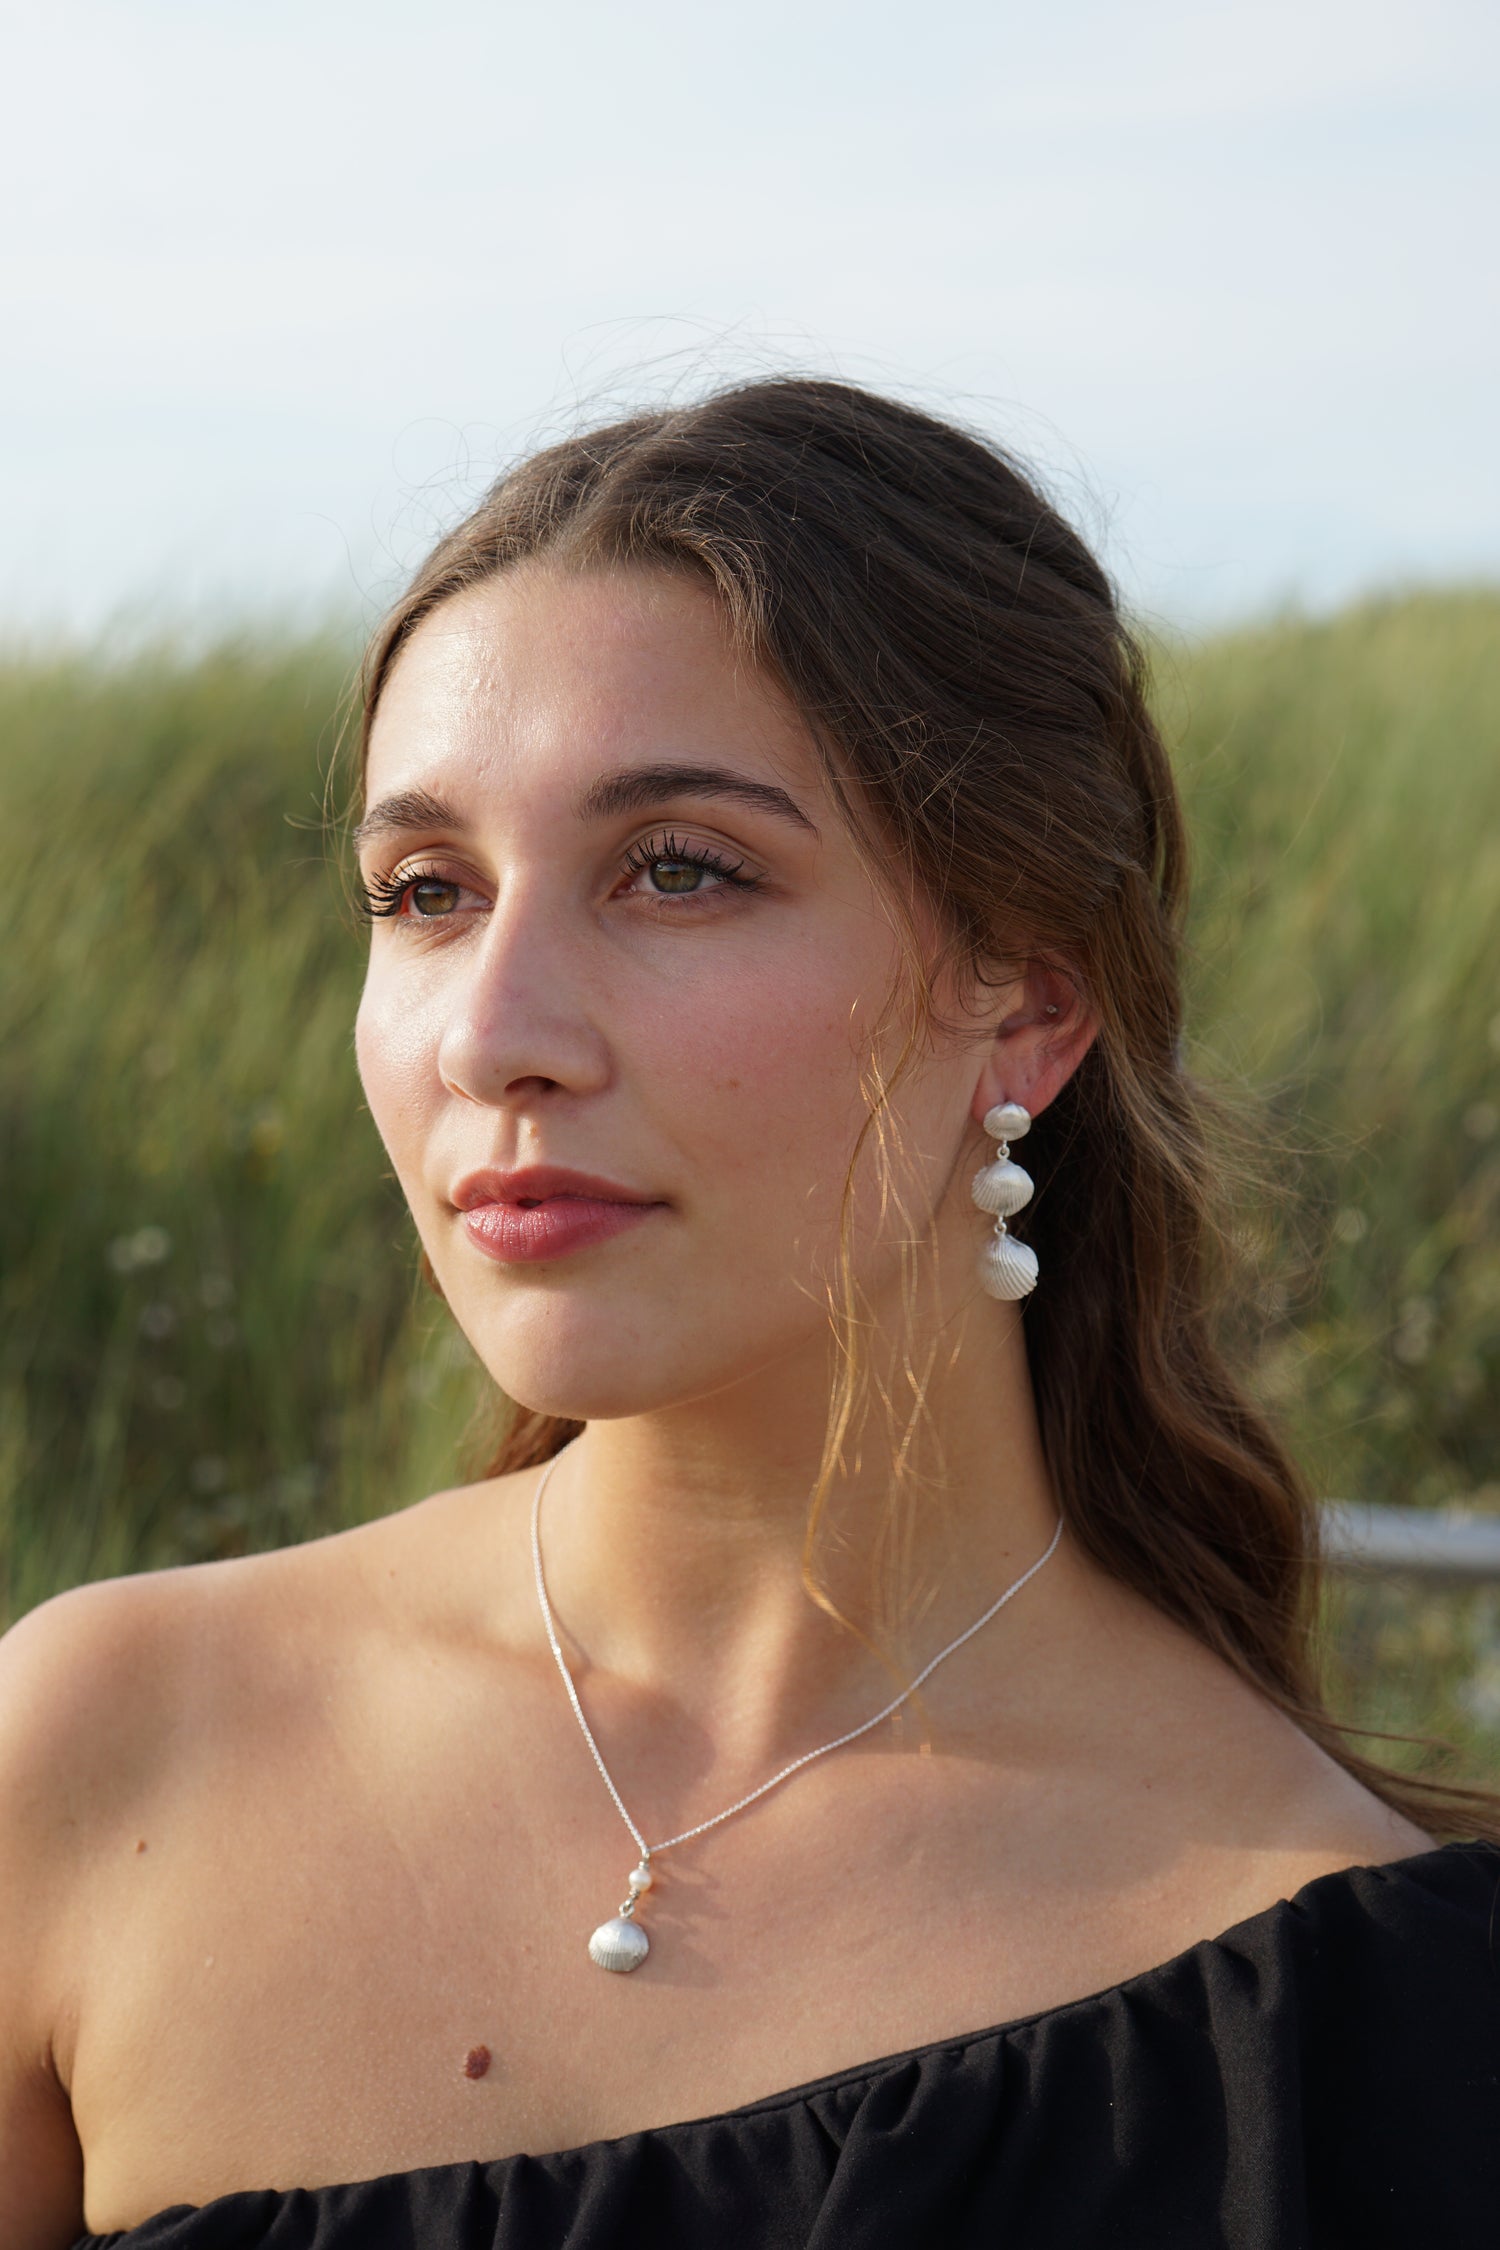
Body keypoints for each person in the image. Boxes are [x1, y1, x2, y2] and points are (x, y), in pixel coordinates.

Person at [2, 378, 1496, 2250]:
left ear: (1029, 1002)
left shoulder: (1375, 2027)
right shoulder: (100, 1752)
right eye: (427, 890)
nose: (492, 1033)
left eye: (679, 869)